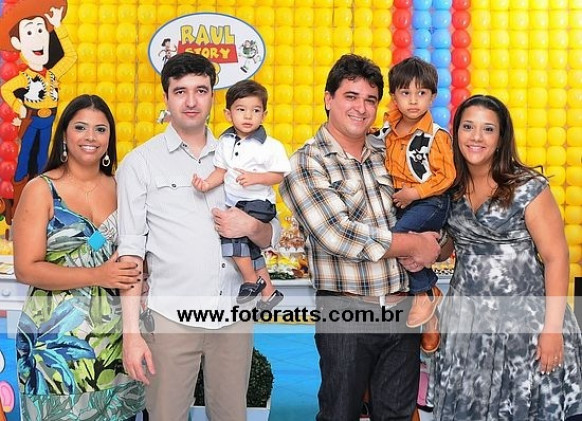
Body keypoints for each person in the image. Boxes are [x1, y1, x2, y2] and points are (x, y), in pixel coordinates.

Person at [117, 53, 279, 421]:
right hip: (169, 318)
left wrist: (250, 227)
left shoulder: (243, 157)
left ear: (213, 97)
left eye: (201, 90)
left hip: (234, 315)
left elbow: (270, 232)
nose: (191, 101)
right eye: (180, 91)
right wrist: (131, 333)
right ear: (166, 98)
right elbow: (130, 252)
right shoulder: (140, 163)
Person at [279, 53, 441, 421]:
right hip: (346, 311)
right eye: (350, 96)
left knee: (398, 415)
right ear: (328, 99)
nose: (361, 108)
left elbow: (426, 205)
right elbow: (339, 235)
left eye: (370, 99)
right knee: (340, 413)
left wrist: (437, 243)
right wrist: (415, 245)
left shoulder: (391, 151)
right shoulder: (306, 161)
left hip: (402, 311)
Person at [432, 95, 582, 420]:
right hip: (467, 326)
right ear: (456, 132)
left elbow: (556, 258)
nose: (476, 137)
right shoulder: (448, 187)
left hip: (526, 325)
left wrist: (552, 330)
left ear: (501, 138)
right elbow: (446, 246)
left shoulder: (527, 187)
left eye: (488, 129)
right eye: (468, 127)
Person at [12, 94, 145, 420]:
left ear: (109, 138)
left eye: (100, 129)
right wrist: (97, 275)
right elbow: (26, 269)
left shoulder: (123, 188)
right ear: (64, 134)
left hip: (117, 340)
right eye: (81, 127)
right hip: (56, 345)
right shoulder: (41, 189)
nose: (91, 137)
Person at [375, 56, 455, 352]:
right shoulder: (388, 132)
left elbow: (447, 176)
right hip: (403, 203)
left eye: (421, 93)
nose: (412, 100)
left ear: (432, 97)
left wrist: (415, 193)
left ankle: (425, 292)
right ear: (394, 96)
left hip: (431, 201)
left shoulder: (436, 136)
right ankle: (429, 305)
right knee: (398, 244)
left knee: (396, 240)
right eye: (405, 93)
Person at [192, 79, 290, 311]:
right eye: (241, 110)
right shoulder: (225, 142)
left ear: (264, 115)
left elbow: (278, 175)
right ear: (228, 114)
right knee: (248, 246)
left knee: (232, 235)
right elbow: (221, 172)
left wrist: (256, 178)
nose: (248, 116)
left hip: (259, 203)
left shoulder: (270, 146)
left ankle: (250, 281)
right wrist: (206, 184)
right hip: (236, 204)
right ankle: (269, 291)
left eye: (255, 111)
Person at [0, 0, 77, 221]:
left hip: (48, 121)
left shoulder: (52, 74)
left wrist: (58, 26)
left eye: (41, 30)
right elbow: (6, 89)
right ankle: (16, 208)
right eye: (30, 32)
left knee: (42, 160)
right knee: (24, 159)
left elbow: (71, 56)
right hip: (32, 121)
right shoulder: (24, 78)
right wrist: (20, 107)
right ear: (18, 42)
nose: (37, 37)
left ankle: (38, 206)